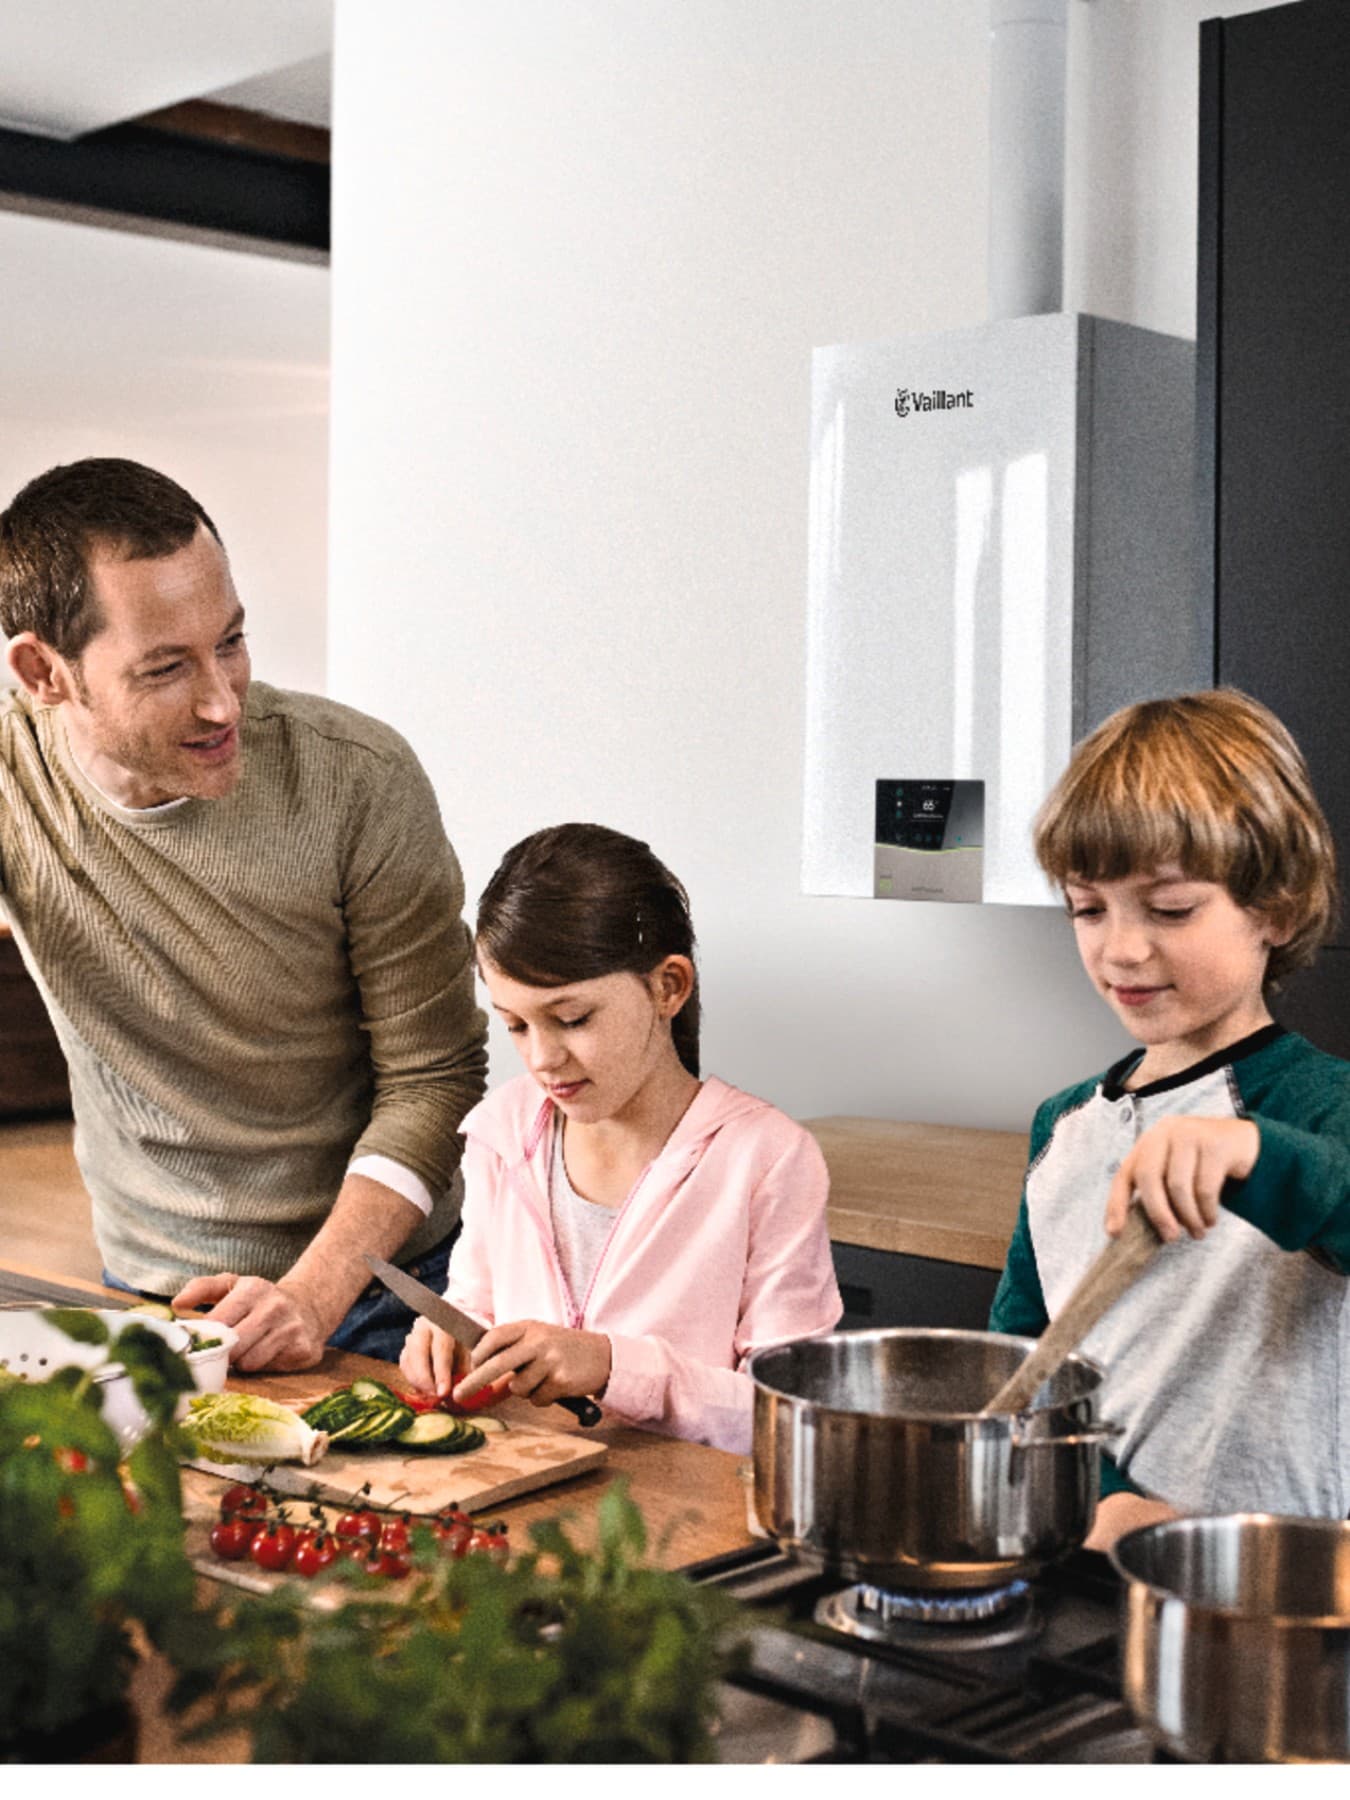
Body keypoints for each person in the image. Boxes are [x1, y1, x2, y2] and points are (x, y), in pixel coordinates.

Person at [0, 458, 488, 1369]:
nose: (222, 699)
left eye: (230, 641)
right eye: (164, 668)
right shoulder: (12, 782)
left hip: (383, 1289)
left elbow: (437, 1078)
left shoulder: (358, 780)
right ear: (44, 672)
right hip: (148, 1288)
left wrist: (312, 1292)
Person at [990, 688, 1350, 1550]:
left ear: (1279, 907)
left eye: (1171, 908)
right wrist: (1112, 1493)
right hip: (1097, 1559)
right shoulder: (1064, 1126)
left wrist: (1253, 1153)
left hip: (1282, 1583)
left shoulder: (1317, 1104)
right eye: (1089, 908)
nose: (1120, 948)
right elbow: (1029, 1356)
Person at [398, 822, 842, 1454]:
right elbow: (475, 1309)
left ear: (668, 987)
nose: (543, 1058)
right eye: (516, 1026)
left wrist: (615, 1368)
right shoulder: (500, 1134)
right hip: (532, 1507)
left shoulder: (767, 1159)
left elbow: (796, 1419)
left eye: (572, 1018)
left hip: (688, 1526)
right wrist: (448, 1342)